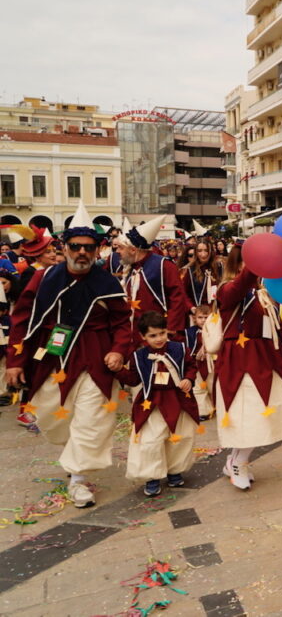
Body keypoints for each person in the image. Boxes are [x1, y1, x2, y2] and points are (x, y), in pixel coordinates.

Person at [4, 202, 132, 508]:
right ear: (65, 247)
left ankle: (77, 479)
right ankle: (74, 455)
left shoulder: (108, 283)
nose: (82, 253)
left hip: (95, 357)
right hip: (52, 356)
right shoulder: (43, 278)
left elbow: (122, 322)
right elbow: (22, 319)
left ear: (98, 249)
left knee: (91, 419)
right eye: (75, 247)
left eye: (89, 247)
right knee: (52, 417)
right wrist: (15, 362)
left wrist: (118, 350)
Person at [214, 247, 282, 490]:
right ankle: (238, 462)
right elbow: (239, 286)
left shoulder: (264, 295)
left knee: (261, 417)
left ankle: (237, 460)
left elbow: (279, 326)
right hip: (242, 364)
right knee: (249, 416)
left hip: (266, 362)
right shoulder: (227, 290)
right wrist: (258, 263)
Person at [117, 311, 199, 497]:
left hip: (178, 400)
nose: (159, 338)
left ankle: (174, 470)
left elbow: (191, 366)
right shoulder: (138, 356)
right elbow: (133, 379)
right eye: (153, 336)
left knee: (180, 437)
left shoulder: (179, 348)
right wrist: (117, 371)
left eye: (162, 333)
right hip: (151, 402)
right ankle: (152, 476)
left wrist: (188, 379)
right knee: (150, 440)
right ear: (143, 337)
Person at [115, 216, 189, 340]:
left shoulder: (164, 266)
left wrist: (171, 327)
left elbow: (177, 297)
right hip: (134, 334)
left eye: (121, 248)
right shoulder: (129, 267)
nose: (117, 251)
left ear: (133, 250)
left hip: (158, 334)